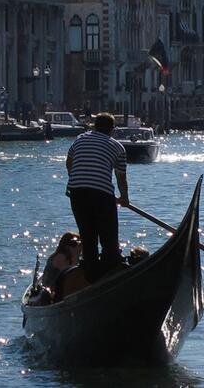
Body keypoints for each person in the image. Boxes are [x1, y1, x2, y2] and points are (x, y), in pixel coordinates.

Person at [65, 112, 130, 283]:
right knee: (109, 239)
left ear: (93, 126)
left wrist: (76, 178)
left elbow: (69, 161)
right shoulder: (118, 147)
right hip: (101, 195)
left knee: (88, 238)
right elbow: (121, 177)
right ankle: (110, 277)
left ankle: (92, 278)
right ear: (113, 129)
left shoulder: (79, 139)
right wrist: (124, 197)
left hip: (77, 192)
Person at [39, 232, 82, 298]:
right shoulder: (61, 258)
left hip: (57, 288)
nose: (79, 247)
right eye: (75, 244)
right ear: (67, 247)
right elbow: (70, 276)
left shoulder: (69, 256)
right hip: (51, 292)